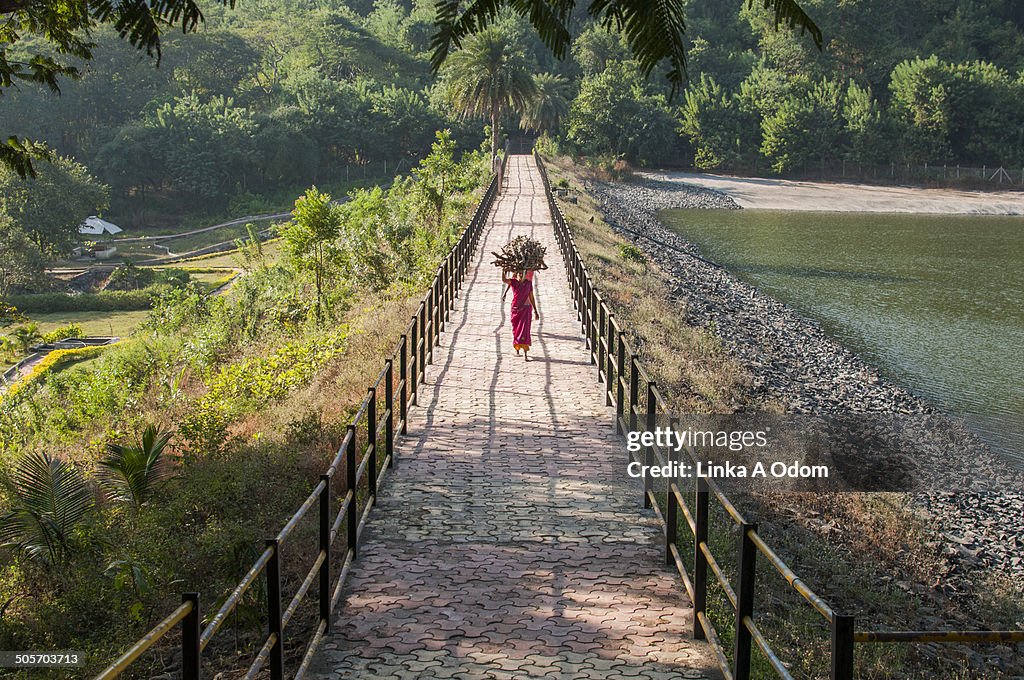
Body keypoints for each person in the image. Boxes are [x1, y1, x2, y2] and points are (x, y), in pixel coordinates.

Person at [502, 269, 539, 360]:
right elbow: (504, 280)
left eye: (523, 273)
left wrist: (535, 310)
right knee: (516, 329)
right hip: (515, 309)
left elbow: (531, 297)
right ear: (516, 274)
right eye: (519, 273)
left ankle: (525, 353)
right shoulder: (513, 282)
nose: (521, 275)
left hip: (526, 309)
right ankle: (517, 349)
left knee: (525, 330)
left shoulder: (528, 284)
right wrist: (503, 270)